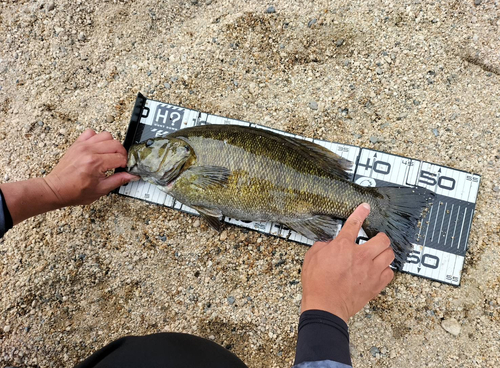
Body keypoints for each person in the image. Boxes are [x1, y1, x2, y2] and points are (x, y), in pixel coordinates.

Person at [0, 129, 395, 368]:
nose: (141, 151)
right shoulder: (184, 171)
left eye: (153, 145)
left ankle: (381, 210)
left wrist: (50, 190)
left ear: (179, 154)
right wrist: (326, 316)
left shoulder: (188, 163)